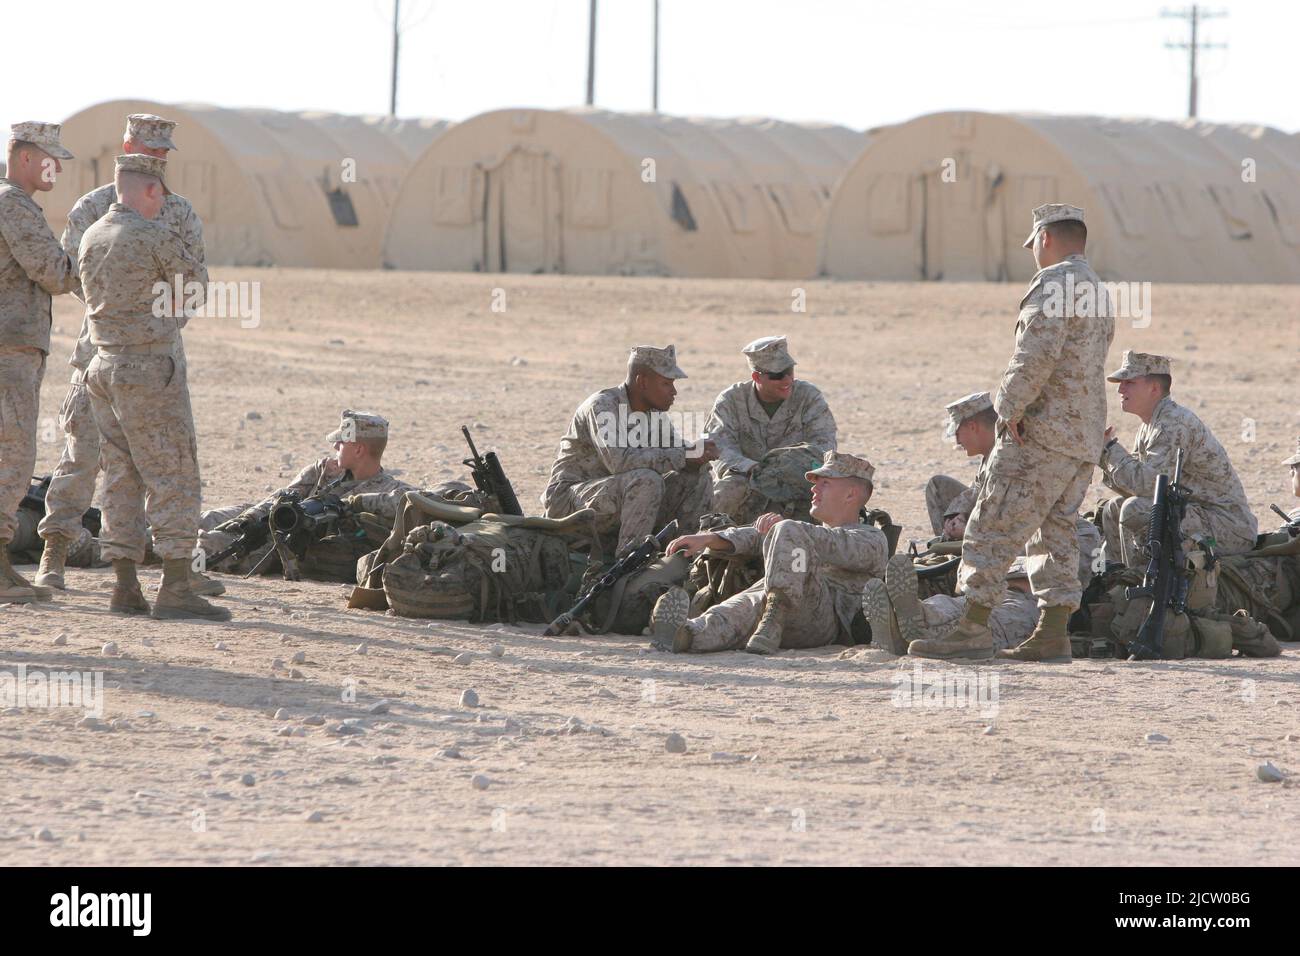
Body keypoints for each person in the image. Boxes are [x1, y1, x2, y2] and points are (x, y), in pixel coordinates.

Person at [910, 203, 1114, 663]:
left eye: (1033, 245)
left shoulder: (1055, 281)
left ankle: (972, 628)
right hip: (1081, 438)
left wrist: (1008, 410)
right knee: (1055, 530)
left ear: (1044, 238)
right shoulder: (1098, 288)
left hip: (1041, 432)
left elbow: (1035, 356)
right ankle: (1052, 632)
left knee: (992, 522)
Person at [36, 113, 206, 590]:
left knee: (164, 460)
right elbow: (77, 277)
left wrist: (152, 314)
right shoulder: (93, 207)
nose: (154, 160)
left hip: (159, 353)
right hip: (99, 348)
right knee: (83, 454)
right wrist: (129, 305)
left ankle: (175, 570)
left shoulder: (179, 210)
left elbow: (191, 286)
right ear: (126, 146)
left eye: (161, 153)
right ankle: (55, 549)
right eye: (146, 151)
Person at [78, 153, 226, 620]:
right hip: (148, 368)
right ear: (149, 190)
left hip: (103, 366)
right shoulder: (154, 235)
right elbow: (197, 284)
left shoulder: (91, 235)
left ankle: (124, 587)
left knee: (120, 475)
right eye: (159, 193)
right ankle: (176, 586)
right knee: (173, 472)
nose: (161, 201)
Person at [649, 451, 887, 655]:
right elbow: (757, 537)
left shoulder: (872, 538)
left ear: (850, 495)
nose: (814, 489)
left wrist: (787, 529)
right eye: (815, 482)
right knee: (742, 606)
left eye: (825, 483)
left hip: (823, 622)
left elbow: (832, 545)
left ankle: (774, 616)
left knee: (784, 540)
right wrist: (711, 538)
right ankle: (686, 634)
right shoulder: (802, 531)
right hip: (776, 615)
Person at [0, 122, 79, 603]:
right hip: (10, 350)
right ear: (25, 157)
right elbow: (54, 272)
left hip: (12, 346)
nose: (57, 168)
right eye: (50, 159)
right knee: (11, 455)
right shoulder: (15, 205)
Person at [197, 410, 412, 580]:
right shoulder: (323, 470)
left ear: (358, 450)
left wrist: (350, 504)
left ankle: (177, 562)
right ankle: (173, 542)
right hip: (271, 516)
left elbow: (413, 502)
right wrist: (249, 517)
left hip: (288, 541)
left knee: (213, 544)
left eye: (342, 442)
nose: (335, 446)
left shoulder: (388, 488)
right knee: (204, 519)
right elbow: (282, 495)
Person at [541, 345, 716, 554]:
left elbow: (677, 450)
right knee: (647, 479)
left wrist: (697, 454)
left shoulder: (654, 415)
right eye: (666, 383)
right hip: (570, 503)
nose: (674, 391)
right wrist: (683, 456)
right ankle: (630, 562)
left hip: (614, 498)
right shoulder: (603, 406)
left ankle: (681, 554)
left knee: (697, 475)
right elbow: (620, 462)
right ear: (642, 382)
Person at [1098, 350, 1258, 563]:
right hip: (1196, 514)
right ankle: (1117, 585)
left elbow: (1147, 486)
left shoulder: (1172, 423)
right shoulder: (1152, 424)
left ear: (1154, 388)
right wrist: (1104, 452)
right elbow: (1134, 487)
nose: (1120, 389)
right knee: (1113, 508)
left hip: (1228, 527)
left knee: (1135, 510)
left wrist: (1109, 449)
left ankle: (1139, 588)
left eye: (1129, 383)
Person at [704, 335, 836, 523]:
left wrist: (785, 470)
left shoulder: (808, 397)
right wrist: (754, 470)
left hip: (797, 484)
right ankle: (706, 539)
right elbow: (718, 450)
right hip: (749, 484)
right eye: (777, 375)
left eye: (790, 371)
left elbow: (824, 448)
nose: (787, 380)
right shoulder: (731, 400)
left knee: (835, 495)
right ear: (757, 376)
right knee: (728, 489)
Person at [864, 553, 1039, 655]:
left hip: (1031, 598)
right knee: (950, 604)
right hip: (988, 587)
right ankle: (919, 616)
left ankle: (910, 638)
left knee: (994, 622)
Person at [924, 391, 995, 536]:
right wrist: (960, 514)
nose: (957, 442)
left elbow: (1004, 515)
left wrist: (969, 530)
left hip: (1014, 544)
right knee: (937, 485)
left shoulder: (1007, 458)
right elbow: (977, 491)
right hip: (993, 526)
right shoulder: (991, 452)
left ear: (973, 427)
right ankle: (947, 547)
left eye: (957, 433)